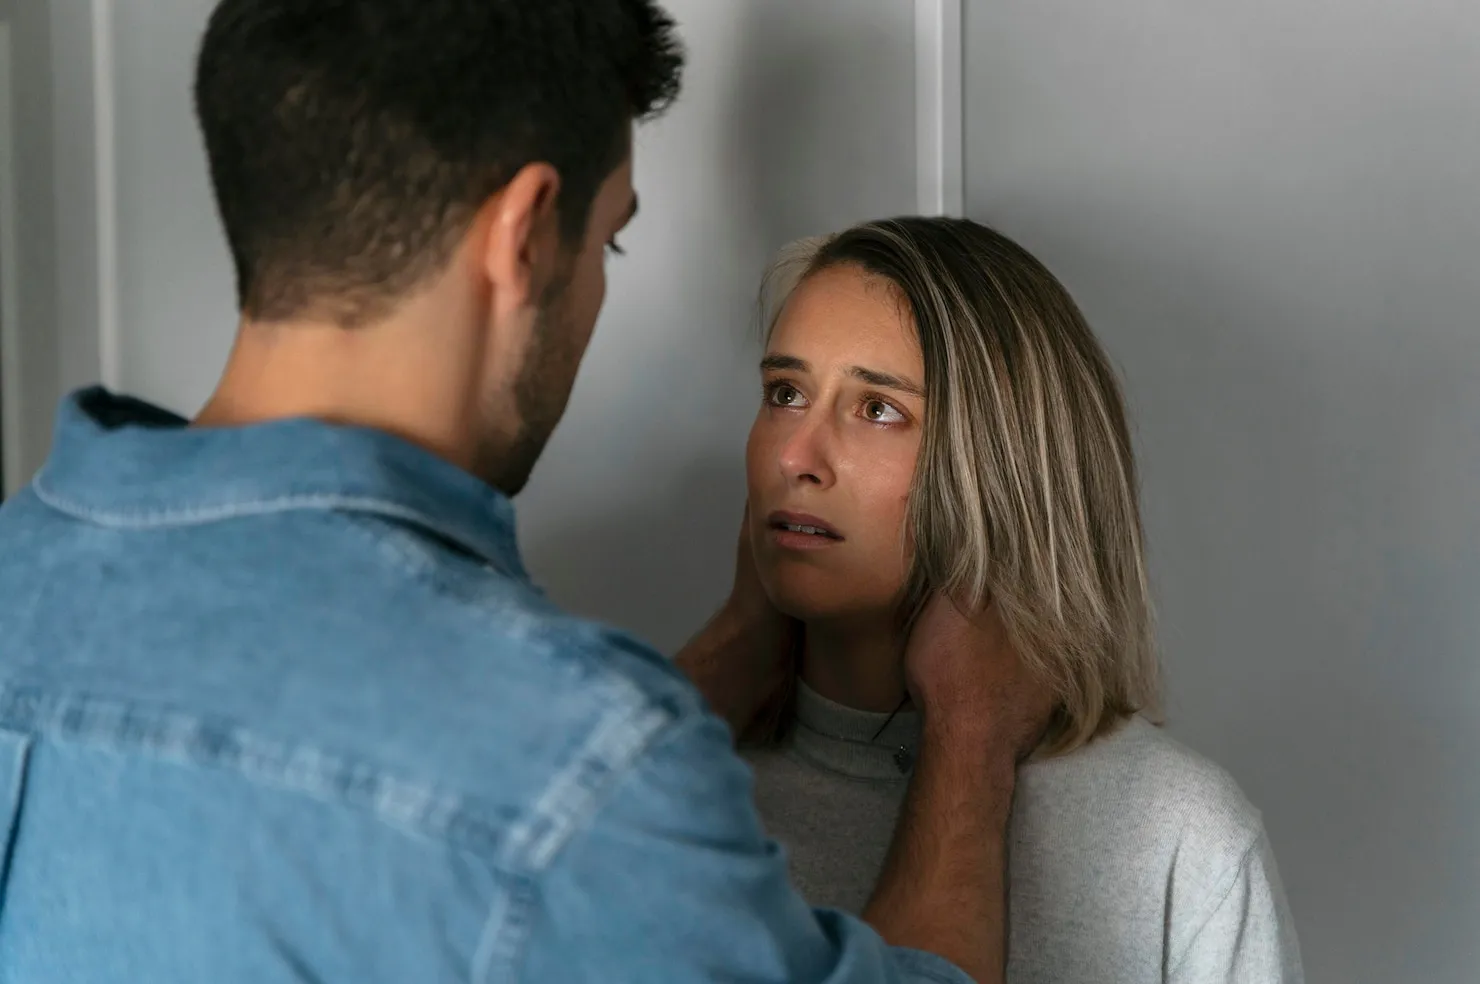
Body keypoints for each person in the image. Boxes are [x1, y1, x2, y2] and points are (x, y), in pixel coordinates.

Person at [0, 3, 1048, 983]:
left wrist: (738, 639)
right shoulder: (575, 762)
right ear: (524, 233)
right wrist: (972, 741)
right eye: (609, 240)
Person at [731, 216, 1306, 983]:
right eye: (785, 392)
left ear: (1003, 466)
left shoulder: (1181, 833)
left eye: (877, 409)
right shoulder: (675, 797)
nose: (796, 455)